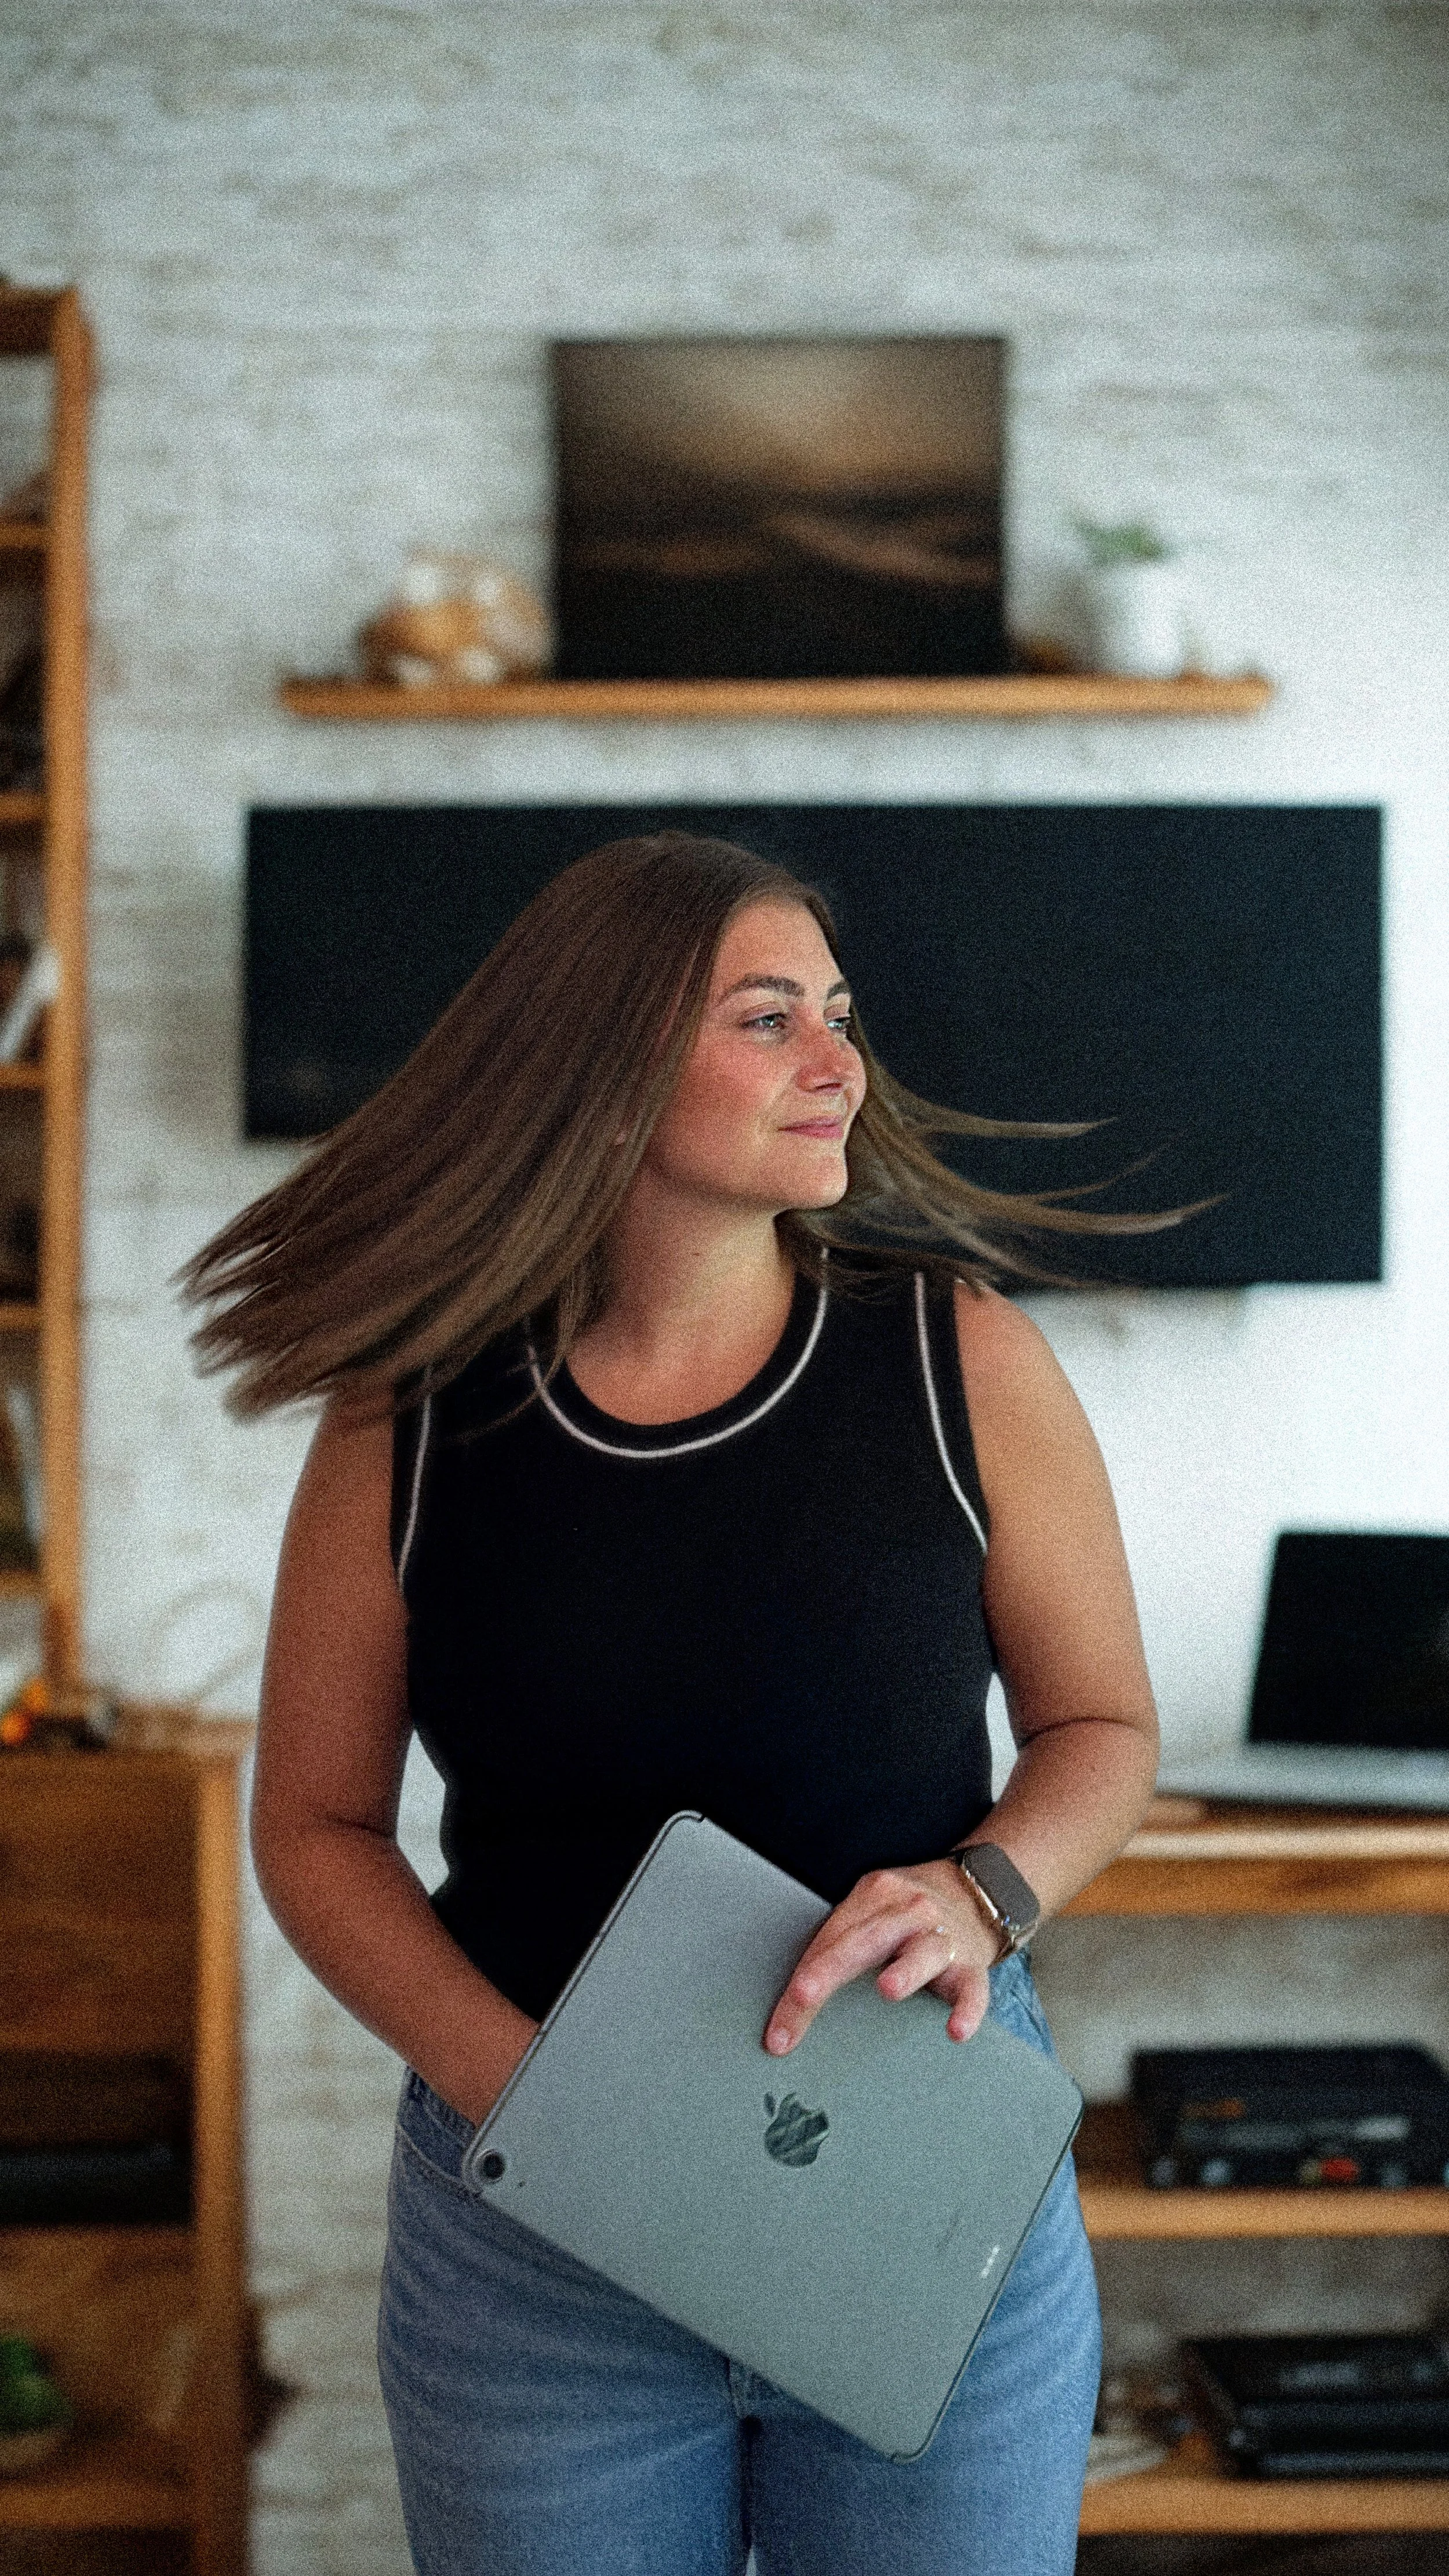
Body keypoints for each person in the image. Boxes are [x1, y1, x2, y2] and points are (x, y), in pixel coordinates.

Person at [181, 831, 1168, 2576]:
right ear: (609, 1062)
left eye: (837, 1013)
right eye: (767, 1016)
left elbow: (1100, 1730)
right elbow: (317, 1828)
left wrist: (981, 1888)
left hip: (915, 2182)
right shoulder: (405, 1416)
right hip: (536, 2245)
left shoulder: (961, 1361)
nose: (838, 1062)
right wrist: (551, 2110)